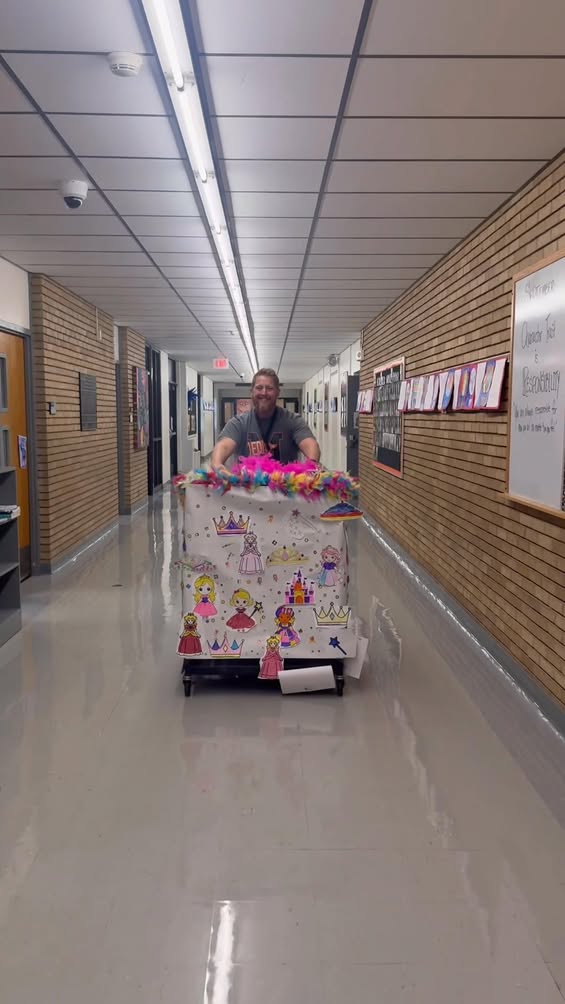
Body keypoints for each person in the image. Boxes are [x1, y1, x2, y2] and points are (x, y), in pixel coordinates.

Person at [210, 369, 320, 468]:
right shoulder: (238, 423)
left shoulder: (293, 420)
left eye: (269, 388)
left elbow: (310, 443)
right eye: (259, 388)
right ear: (252, 391)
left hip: (284, 487)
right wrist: (217, 464)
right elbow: (224, 445)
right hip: (247, 488)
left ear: (277, 392)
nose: (264, 392)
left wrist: (312, 465)